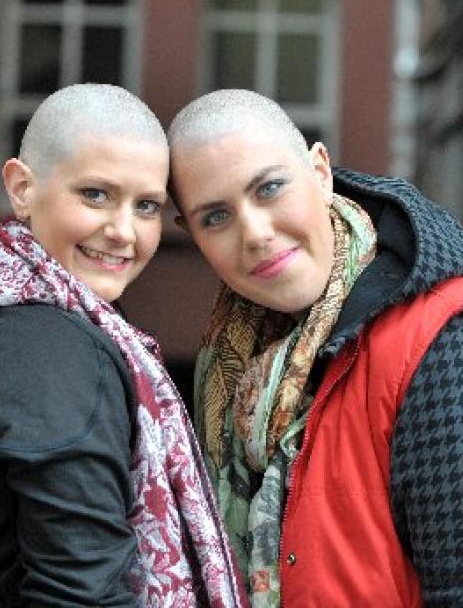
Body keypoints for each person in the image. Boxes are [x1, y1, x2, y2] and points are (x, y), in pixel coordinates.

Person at [167, 88, 463, 607]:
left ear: (320, 171)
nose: (255, 233)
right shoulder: (229, 366)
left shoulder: (439, 337)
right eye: (215, 217)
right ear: (191, 235)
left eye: (270, 188)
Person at [0, 84, 248, 607]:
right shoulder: (50, 349)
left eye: (146, 206)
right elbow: (80, 593)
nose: (123, 231)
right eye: (95, 194)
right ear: (21, 187)